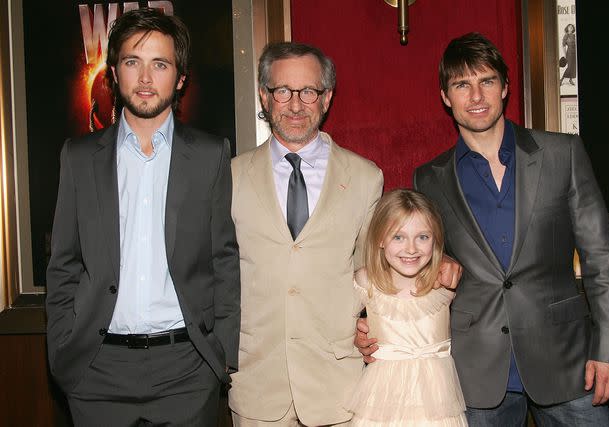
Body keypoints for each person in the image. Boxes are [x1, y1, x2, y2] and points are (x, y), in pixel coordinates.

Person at [357, 32, 609, 426]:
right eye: (462, 85)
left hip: (570, 362)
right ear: (446, 97)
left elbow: (601, 258)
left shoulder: (562, 154)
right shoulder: (429, 178)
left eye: (487, 81)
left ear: (506, 88)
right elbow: (416, 258)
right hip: (476, 370)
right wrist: (372, 324)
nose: (476, 96)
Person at [229, 41, 462, 426]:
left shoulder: (365, 177)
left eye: (309, 91)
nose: (296, 104)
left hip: (339, 387)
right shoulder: (232, 176)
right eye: (283, 90)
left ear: (327, 98)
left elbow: (378, 267)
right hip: (258, 385)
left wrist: (441, 260)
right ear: (264, 96)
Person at [46, 8, 240, 426]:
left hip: (187, 372)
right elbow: (62, 266)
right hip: (97, 372)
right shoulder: (79, 158)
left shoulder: (210, 155)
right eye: (133, 62)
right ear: (114, 74)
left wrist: (220, 356)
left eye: (160, 64)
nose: (146, 78)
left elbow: (224, 260)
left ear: (181, 77)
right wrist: (62, 354)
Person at [346, 189, 467, 427]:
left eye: (423, 237)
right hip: (380, 405)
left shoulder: (444, 283)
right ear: (380, 239)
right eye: (398, 237)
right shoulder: (364, 283)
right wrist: (355, 334)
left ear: (436, 240)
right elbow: (339, 327)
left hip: (436, 406)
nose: (411, 249)